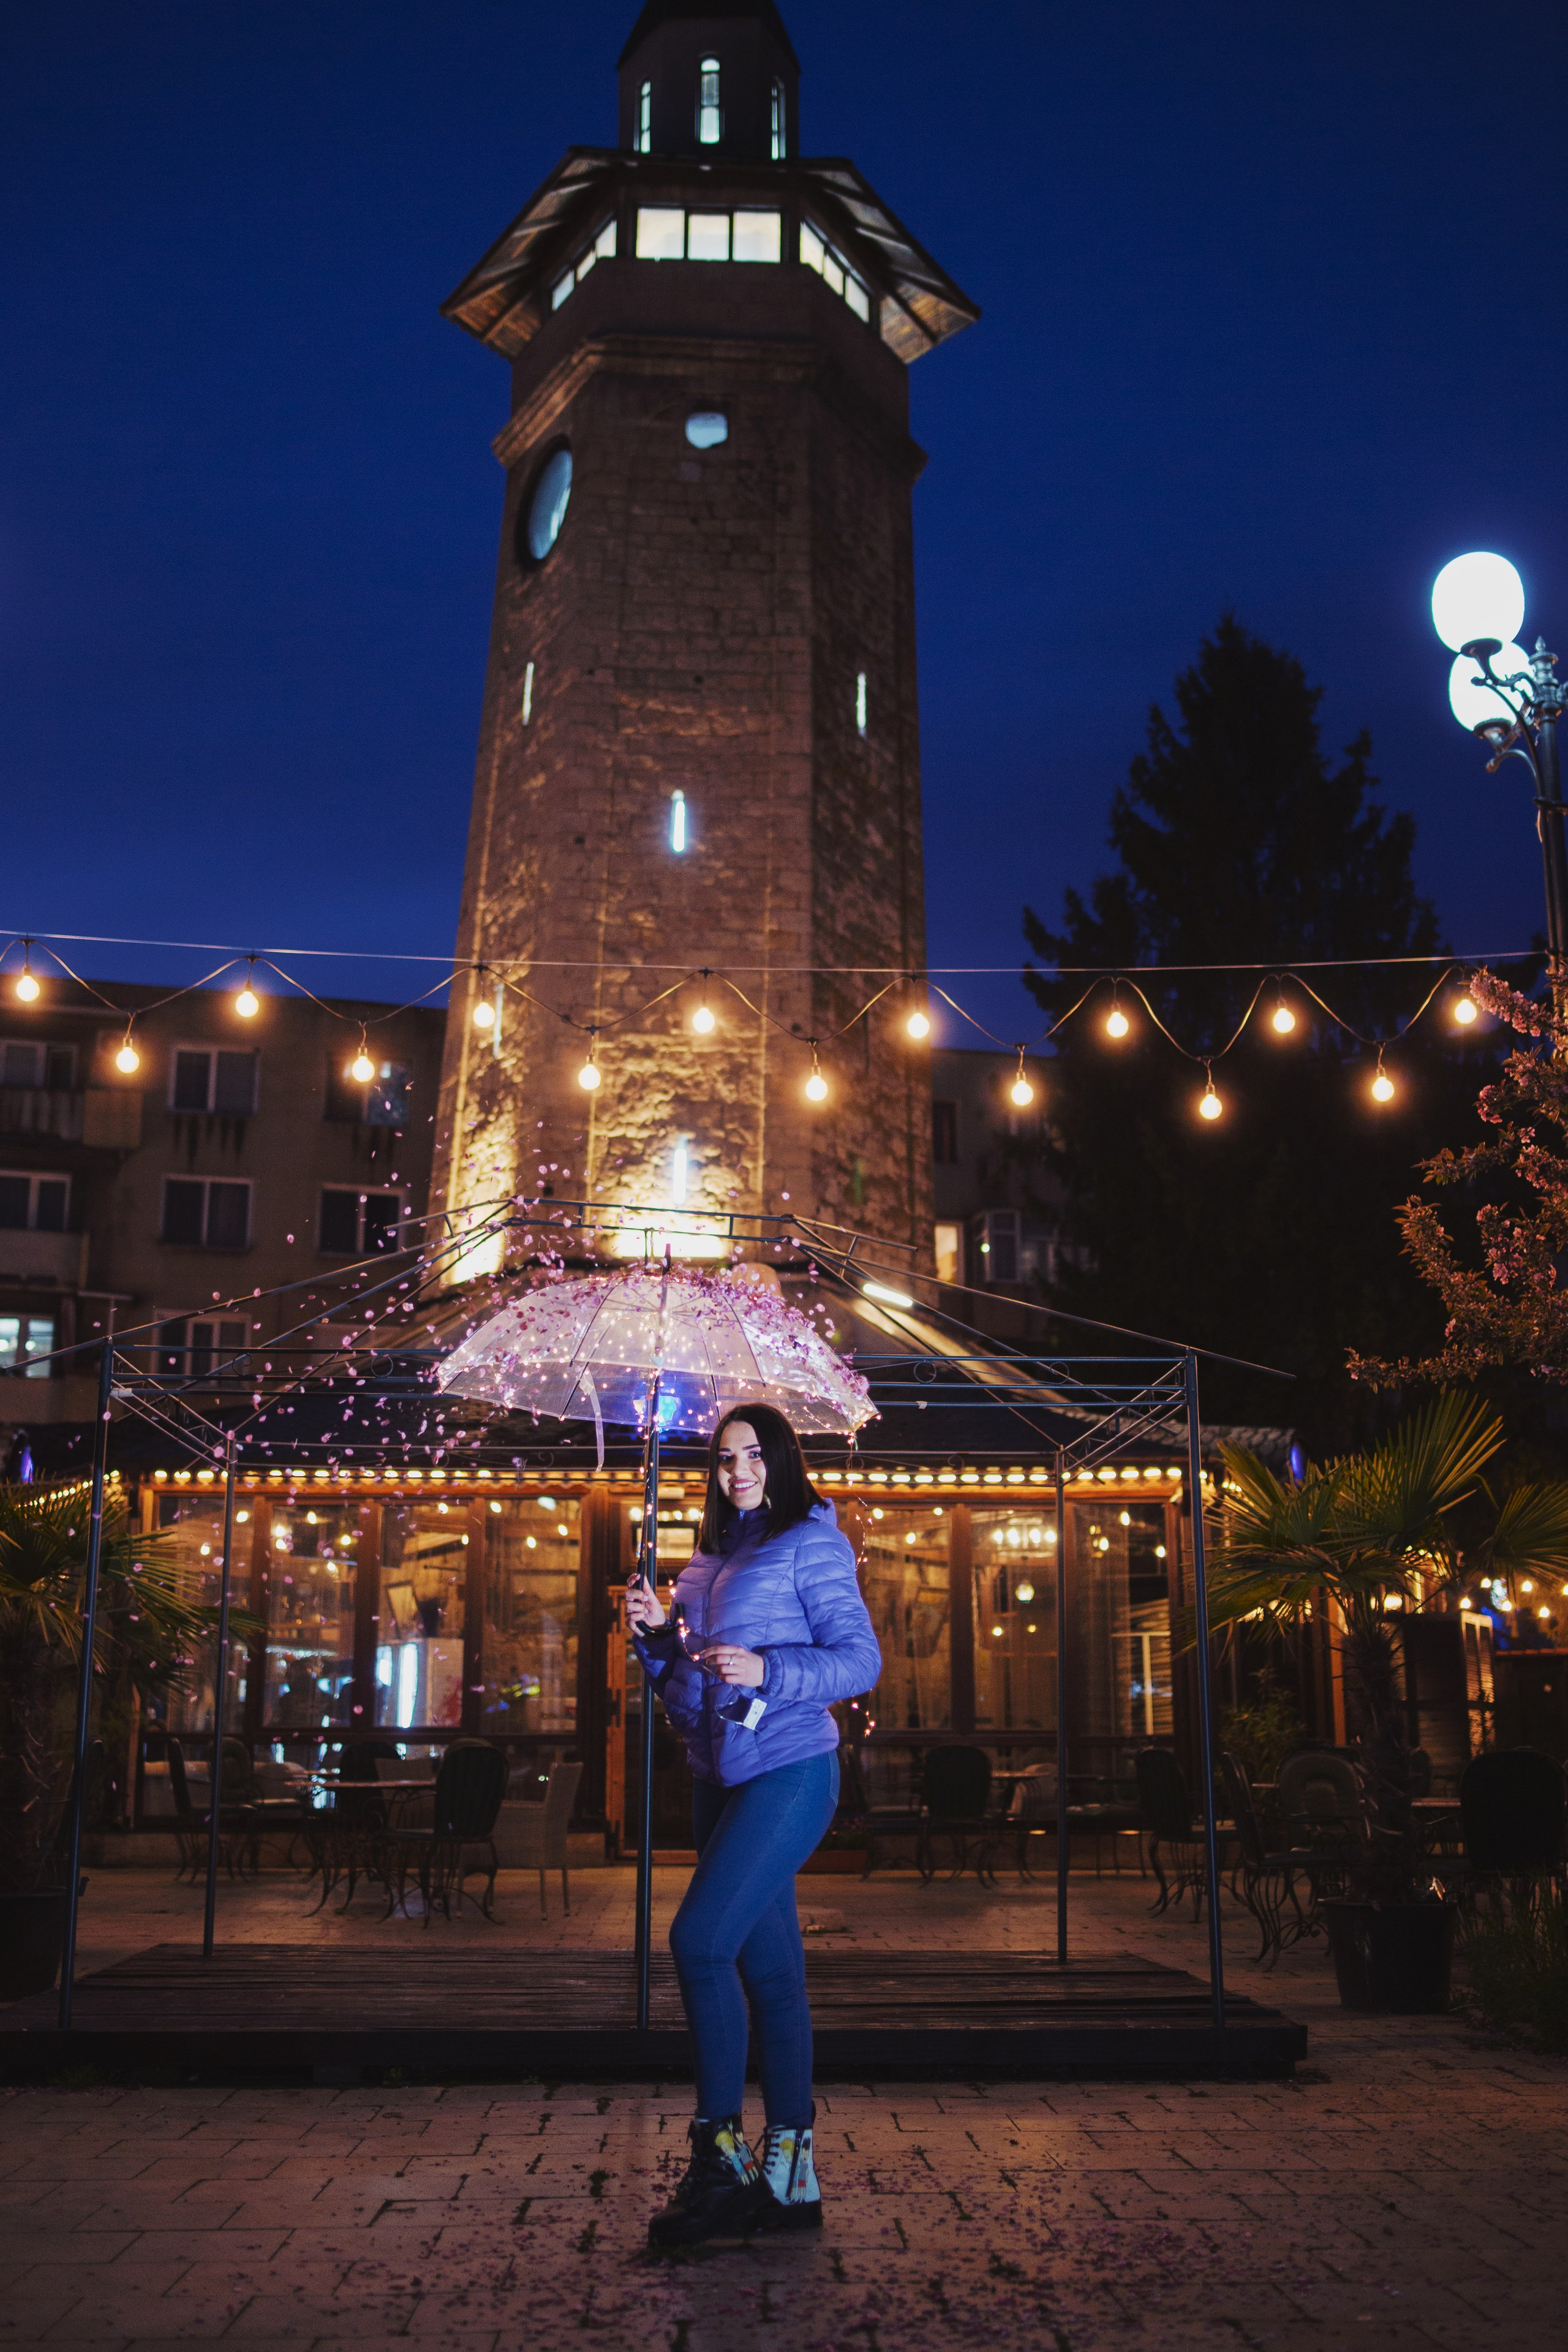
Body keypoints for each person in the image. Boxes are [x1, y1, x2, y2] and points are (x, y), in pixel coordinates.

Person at [626, 1401, 880, 2249]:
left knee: (698, 1943)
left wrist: (769, 1668)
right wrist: (659, 1643)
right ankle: (793, 2178)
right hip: (717, 1779)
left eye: (754, 1456)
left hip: (791, 1771)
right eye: (726, 1459)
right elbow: (687, 1691)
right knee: (772, 1980)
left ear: (781, 1461)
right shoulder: (704, 1561)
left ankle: (720, 2162)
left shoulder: (812, 1540)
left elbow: (859, 1658)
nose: (738, 1472)